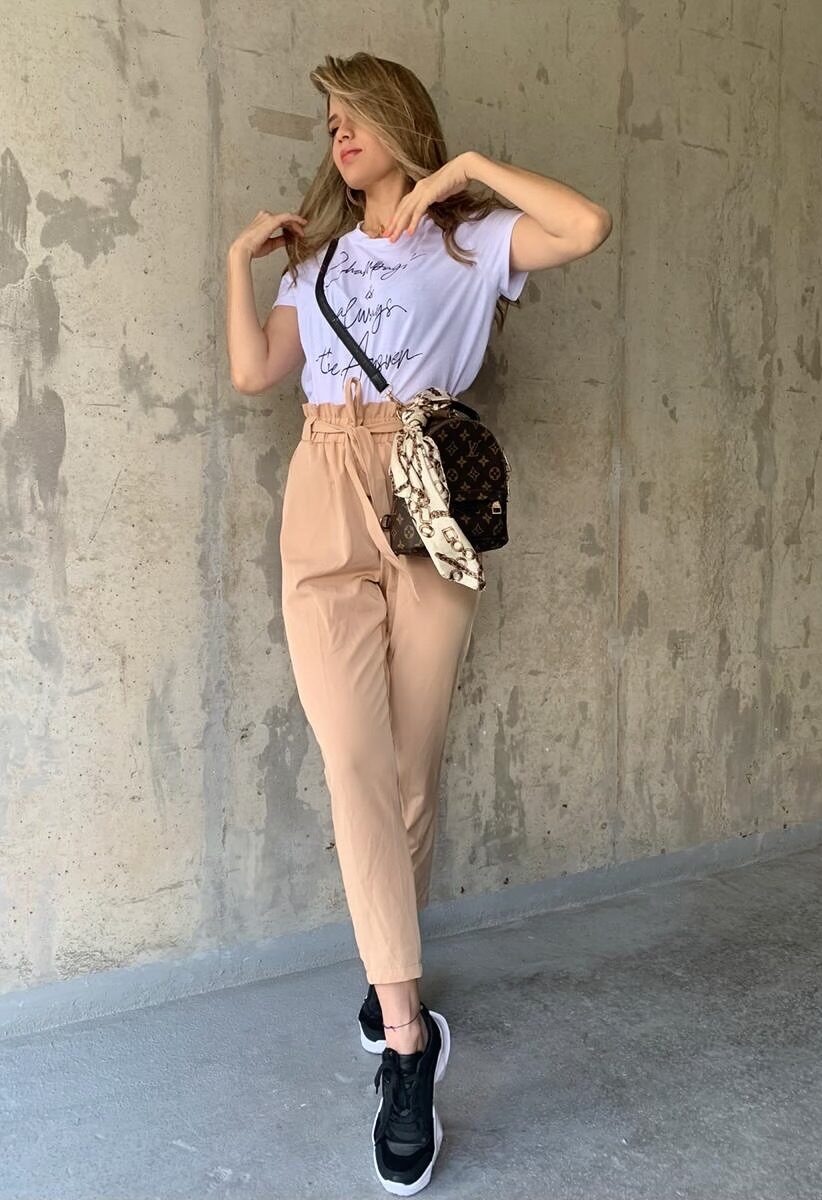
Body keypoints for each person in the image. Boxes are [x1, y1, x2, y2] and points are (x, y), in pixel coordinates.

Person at [226, 50, 611, 1196]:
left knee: (407, 772)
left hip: (426, 493)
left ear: (403, 122)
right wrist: (238, 267)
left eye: (356, 116)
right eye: (329, 123)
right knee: (351, 759)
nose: (339, 135)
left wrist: (467, 171)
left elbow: (586, 226)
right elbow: (255, 374)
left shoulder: (470, 240)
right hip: (323, 491)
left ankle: (383, 961)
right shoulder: (319, 260)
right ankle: (407, 1043)